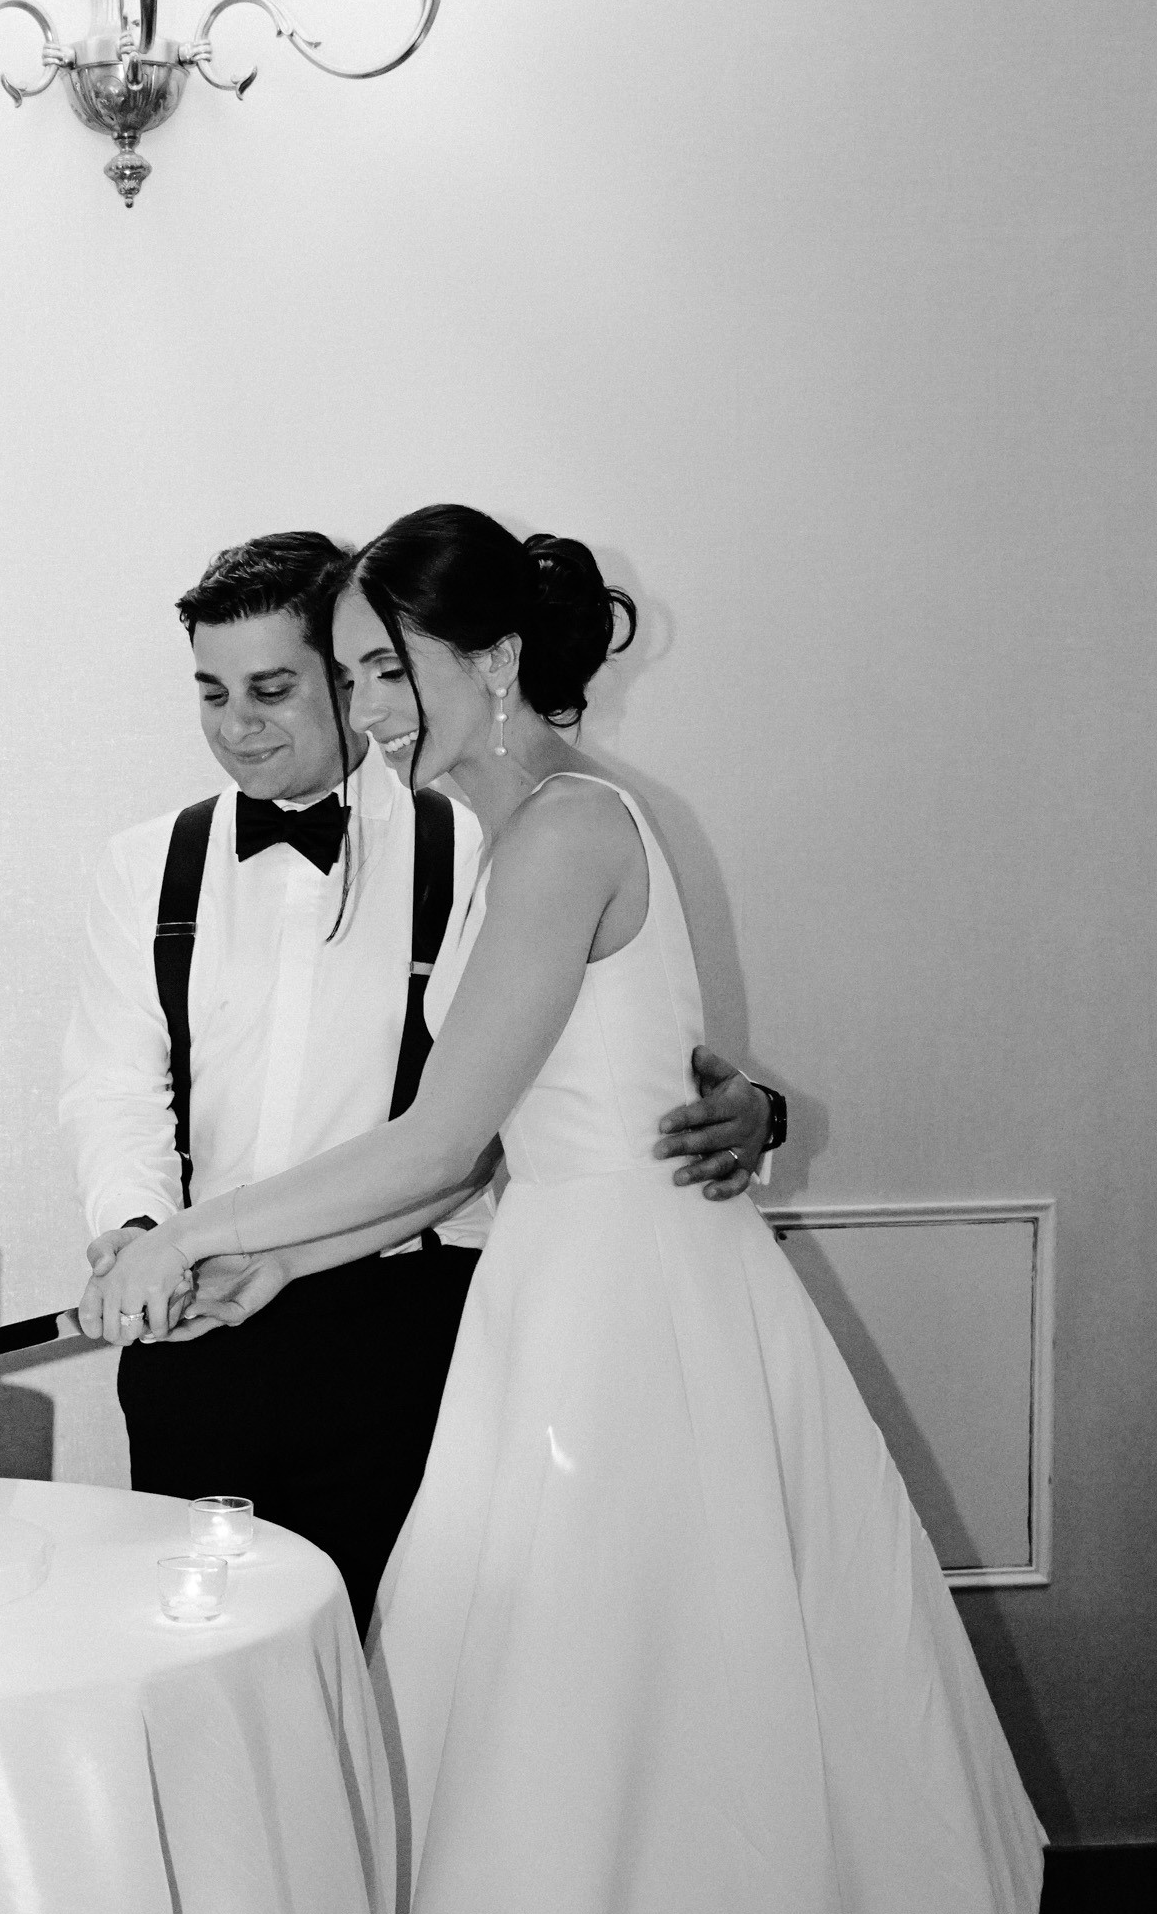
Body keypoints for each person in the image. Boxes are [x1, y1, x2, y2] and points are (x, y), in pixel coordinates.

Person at [85, 505, 1114, 1914]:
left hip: (626, 1345)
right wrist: (251, 1259)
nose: (371, 705)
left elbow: (447, 1130)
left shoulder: (561, 829)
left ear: (482, 660)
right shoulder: (502, 832)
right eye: (356, 667)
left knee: (635, 1773)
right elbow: (493, 1151)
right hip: (552, 1306)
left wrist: (213, 1225)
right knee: (551, 1782)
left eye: (389, 665)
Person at [60, 529, 776, 1632]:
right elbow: (112, 1086)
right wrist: (149, 1233)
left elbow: (501, 1117)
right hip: (204, 1319)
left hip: (416, 1322)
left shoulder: (481, 831)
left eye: (280, 687)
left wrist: (754, 1114)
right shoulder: (143, 863)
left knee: (430, 1657)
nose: (237, 724)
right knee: (208, 1669)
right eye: (210, 692)